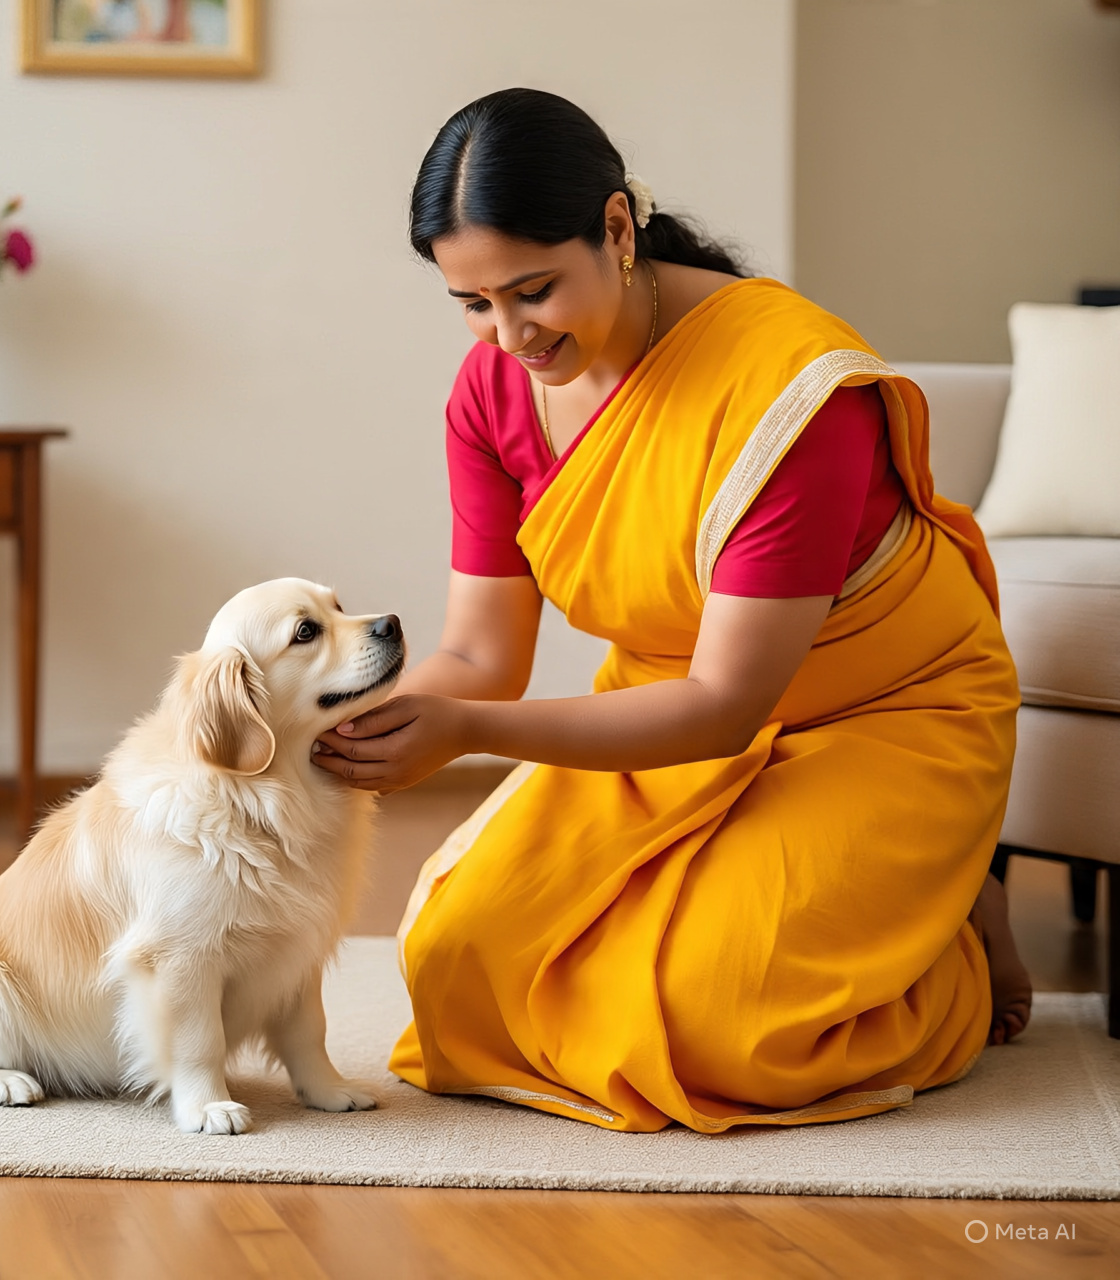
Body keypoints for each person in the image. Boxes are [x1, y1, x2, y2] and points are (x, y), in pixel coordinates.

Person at [312, 88, 1032, 1133]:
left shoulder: (791, 391)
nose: (507, 335)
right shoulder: (492, 390)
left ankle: (949, 941)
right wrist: (324, 720)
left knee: (723, 1023)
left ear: (615, 228)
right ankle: (873, 907)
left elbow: (724, 702)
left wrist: (465, 735)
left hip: (882, 715)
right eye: (472, 302)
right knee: (455, 959)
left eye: (532, 291)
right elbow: (478, 652)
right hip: (660, 708)